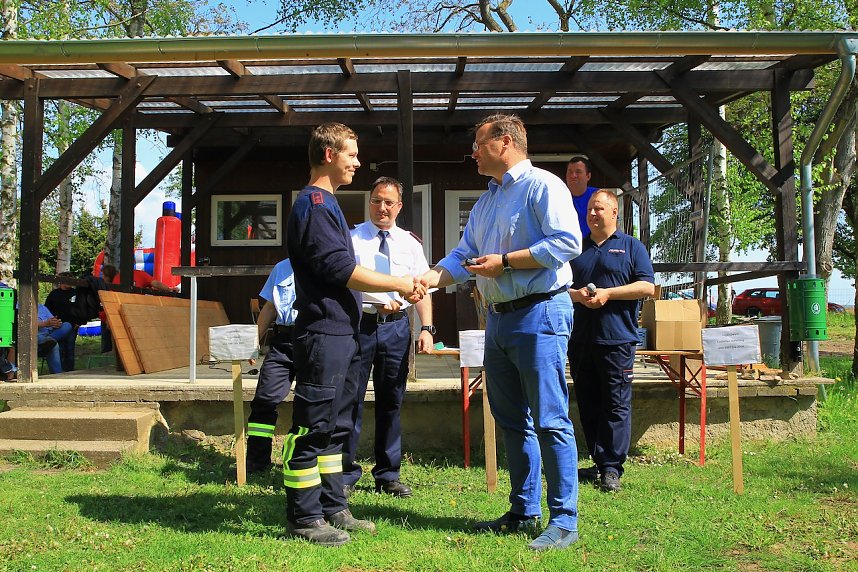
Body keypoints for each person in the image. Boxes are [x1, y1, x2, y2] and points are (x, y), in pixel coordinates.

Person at [420, 113, 582, 551]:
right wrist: (429, 279)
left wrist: (507, 262)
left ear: (505, 141)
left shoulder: (544, 186)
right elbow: (464, 254)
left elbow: (567, 242)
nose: (473, 152)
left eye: (479, 144)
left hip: (541, 311)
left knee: (550, 419)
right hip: (498, 317)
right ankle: (524, 509)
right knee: (512, 420)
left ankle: (564, 520)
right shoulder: (486, 202)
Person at [283, 122, 425, 547]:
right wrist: (399, 284)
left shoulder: (328, 204)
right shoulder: (314, 204)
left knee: (334, 426)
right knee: (311, 428)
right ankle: (304, 516)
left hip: (341, 333)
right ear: (329, 154)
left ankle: (331, 505)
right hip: (323, 332)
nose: (357, 162)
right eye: (351, 153)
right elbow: (339, 270)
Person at [343, 176, 434, 499]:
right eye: (376, 200)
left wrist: (426, 328)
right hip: (361, 325)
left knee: (391, 401)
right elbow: (347, 280)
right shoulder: (352, 239)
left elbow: (421, 288)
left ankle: (387, 474)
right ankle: (345, 472)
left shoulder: (410, 243)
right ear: (370, 202)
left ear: (399, 207)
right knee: (350, 399)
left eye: (388, 202)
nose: (381, 207)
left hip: (397, 328)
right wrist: (382, 295)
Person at [567, 189, 655, 493]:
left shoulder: (631, 247)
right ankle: (598, 460)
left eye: (599, 208)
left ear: (614, 213)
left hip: (617, 339)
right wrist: (576, 296)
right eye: (590, 208)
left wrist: (609, 294)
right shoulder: (575, 247)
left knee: (616, 404)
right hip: (580, 339)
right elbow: (556, 286)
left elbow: (647, 287)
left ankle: (612, 467)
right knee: (588, 402)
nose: (593, 213)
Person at [246, 257, 298, 475]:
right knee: (264, 401)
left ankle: (297, 462)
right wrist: (254, 341)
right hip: (283, 342)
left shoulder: (327, 262)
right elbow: (270, 307)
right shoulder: (282, 267)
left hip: (315, 340)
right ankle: (257, 464)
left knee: (309, 407)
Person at [44, 272, 79, 372]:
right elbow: (47, 309)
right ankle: (58, 370)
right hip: (57, 326)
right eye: (65, 280)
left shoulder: (75, 293)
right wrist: (52, 322)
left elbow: (80, 309)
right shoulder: (54, 294)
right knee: (59, 347)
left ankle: (70, 371)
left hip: (73, 325)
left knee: (70, 348)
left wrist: (78, 322)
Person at [566, 155, 599, 238]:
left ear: (588, 176)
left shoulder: (598, 196)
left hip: (594, 246)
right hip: (567, 247)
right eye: (570, 172)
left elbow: (612, 224)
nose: (573, 175)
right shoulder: (558, 196)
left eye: (578, 172)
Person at [36, 303, 74, 374]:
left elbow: (52, 319)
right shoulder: (19, 307)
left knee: (67, 326)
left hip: (48, 333)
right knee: (53, 345)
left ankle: (47, 341)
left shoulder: (42, 307)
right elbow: (24, 324)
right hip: (33, 337)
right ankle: (58, 374)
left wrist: (56, 323)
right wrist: (44, 323)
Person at [101, 264, 176, 293]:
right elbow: (155, 283)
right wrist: (169, 289)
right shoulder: (140, 274)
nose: (102, 277)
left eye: (103, 275)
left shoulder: (115, 282)